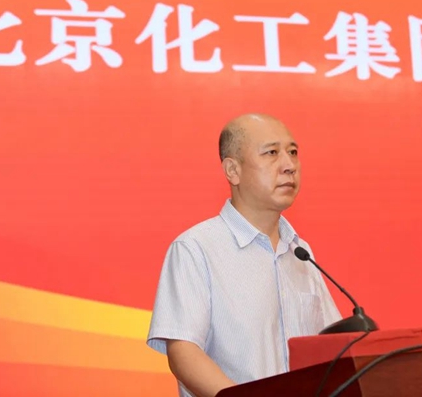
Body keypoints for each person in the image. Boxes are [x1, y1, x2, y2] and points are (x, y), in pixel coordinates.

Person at [146, 113, 342, 397]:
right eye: (272, 153)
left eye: (293, 152)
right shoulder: (196, 248)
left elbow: (334, 346)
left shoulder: (300, 252)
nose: (289, 166)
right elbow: (184, 352)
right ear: (233, 170)